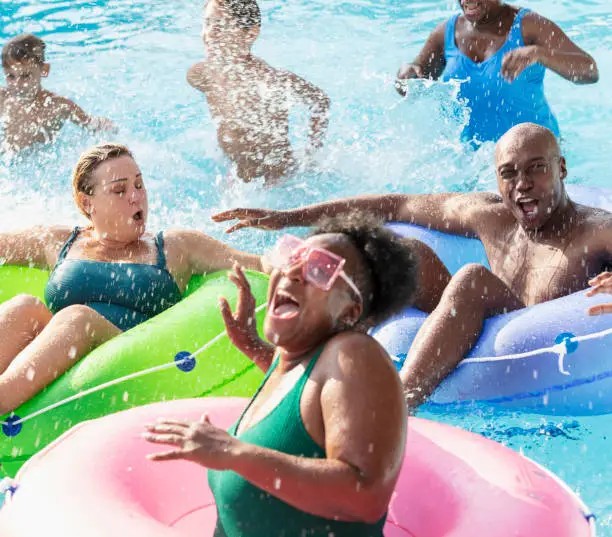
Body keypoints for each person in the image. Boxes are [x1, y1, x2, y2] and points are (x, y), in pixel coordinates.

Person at [212, 122, 612, 409]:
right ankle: (313, 364)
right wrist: (286, 218)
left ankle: (399, 407)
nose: (521, 183)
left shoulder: (597, 231)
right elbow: (396, 205)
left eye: (536, 168)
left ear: (561, 168)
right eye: (508, 173)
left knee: (471, 279)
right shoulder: (491, 216)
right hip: (479, 322)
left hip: (544, 348)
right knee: (406, 254)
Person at [144, 212, 415, 536]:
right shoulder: (292, 363)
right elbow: (303, 408)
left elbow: (365, 497)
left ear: (350, 310)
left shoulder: (354, 353)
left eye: (319, 269)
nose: (294, 271)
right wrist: (251, 344)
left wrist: (232, 452)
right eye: (293, 256)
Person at [0, 142, 264, 414]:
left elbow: (258, 265)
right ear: (86, 202)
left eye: (139, 185)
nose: (136, 197)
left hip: (131, 363)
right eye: (119, 189)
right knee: (24, 307)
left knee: (78, 318)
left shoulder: (175, 247)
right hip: (60, 358)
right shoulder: (59, 241)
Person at [395, 1, 598, 143]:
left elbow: (589, 71)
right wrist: (406, 75)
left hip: (531, 154)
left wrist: (541, 54)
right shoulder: (446, 32)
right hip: (471, 159)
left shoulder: (530, 26)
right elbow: (413, 82)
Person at [187, 0, 330, 184]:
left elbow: (320, 100)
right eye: (208, 23)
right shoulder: (202, 74)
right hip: (236, 170)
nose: (210, 34)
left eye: (222, 25)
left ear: (250, 34)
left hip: (276, 180)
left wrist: (312, 155)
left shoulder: (269, 82)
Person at [0, 34, 115, 151]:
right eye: (10, 76)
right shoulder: (3, 98)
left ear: (44, 70)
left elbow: (90, 124)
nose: (17, 84)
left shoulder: (59, 106)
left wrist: (104, 125)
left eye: (25, 76)